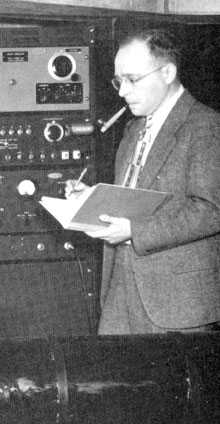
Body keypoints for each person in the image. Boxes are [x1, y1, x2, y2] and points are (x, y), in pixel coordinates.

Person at [66, 28, 220, 335]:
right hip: (120, 295)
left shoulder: (206, 127)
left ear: (167, 72)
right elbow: (135, 197)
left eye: (132, 79)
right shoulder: (133, 130)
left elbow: (211, 210)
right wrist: (92, 198)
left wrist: (134, 231)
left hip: (176, 304)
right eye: (118, 80)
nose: (122, 91)